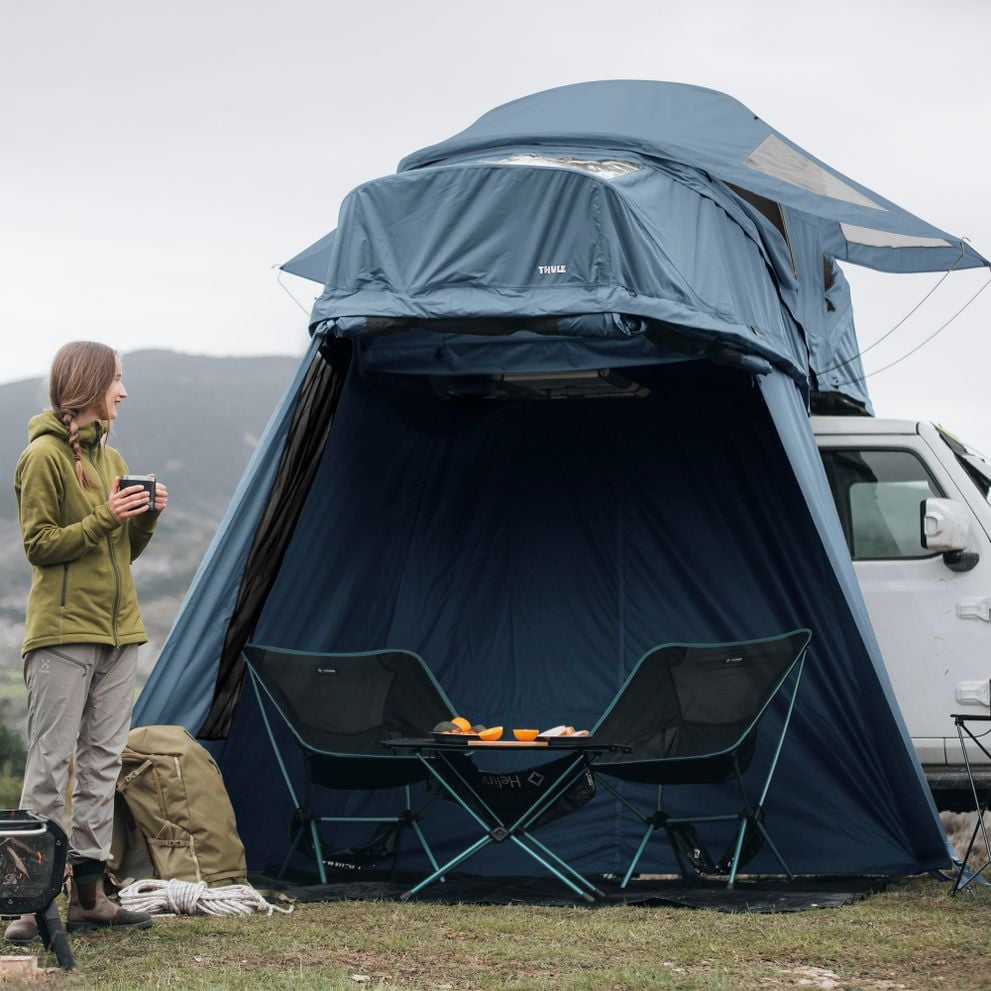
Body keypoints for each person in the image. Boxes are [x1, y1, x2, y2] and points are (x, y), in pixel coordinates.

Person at [5, 341, 168, 942]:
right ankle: (31, 904)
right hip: (63, 634)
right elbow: (40, 545)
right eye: (116, 380)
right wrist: (106, 516)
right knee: (51, 766)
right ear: (89, 385)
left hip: (120, 634)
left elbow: (119, 554)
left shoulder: (111, 458)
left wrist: (142, 517)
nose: (123, 391)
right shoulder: (41, 457)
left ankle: (90, 899)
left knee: (102, 765)